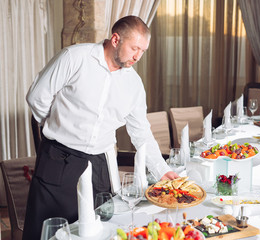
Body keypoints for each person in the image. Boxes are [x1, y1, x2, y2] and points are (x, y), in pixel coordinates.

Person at [23, 15, 179, 239]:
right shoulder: (74, 57)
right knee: (49, 233)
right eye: (134, 48)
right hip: (58, 159)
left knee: (98, 232)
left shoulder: (134, 84)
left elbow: (141, 132)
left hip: (99, 166)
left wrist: (162, 170)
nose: (138, 56)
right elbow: (37, 97)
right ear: (115, 39)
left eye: (143, 51)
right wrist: (57, 125)